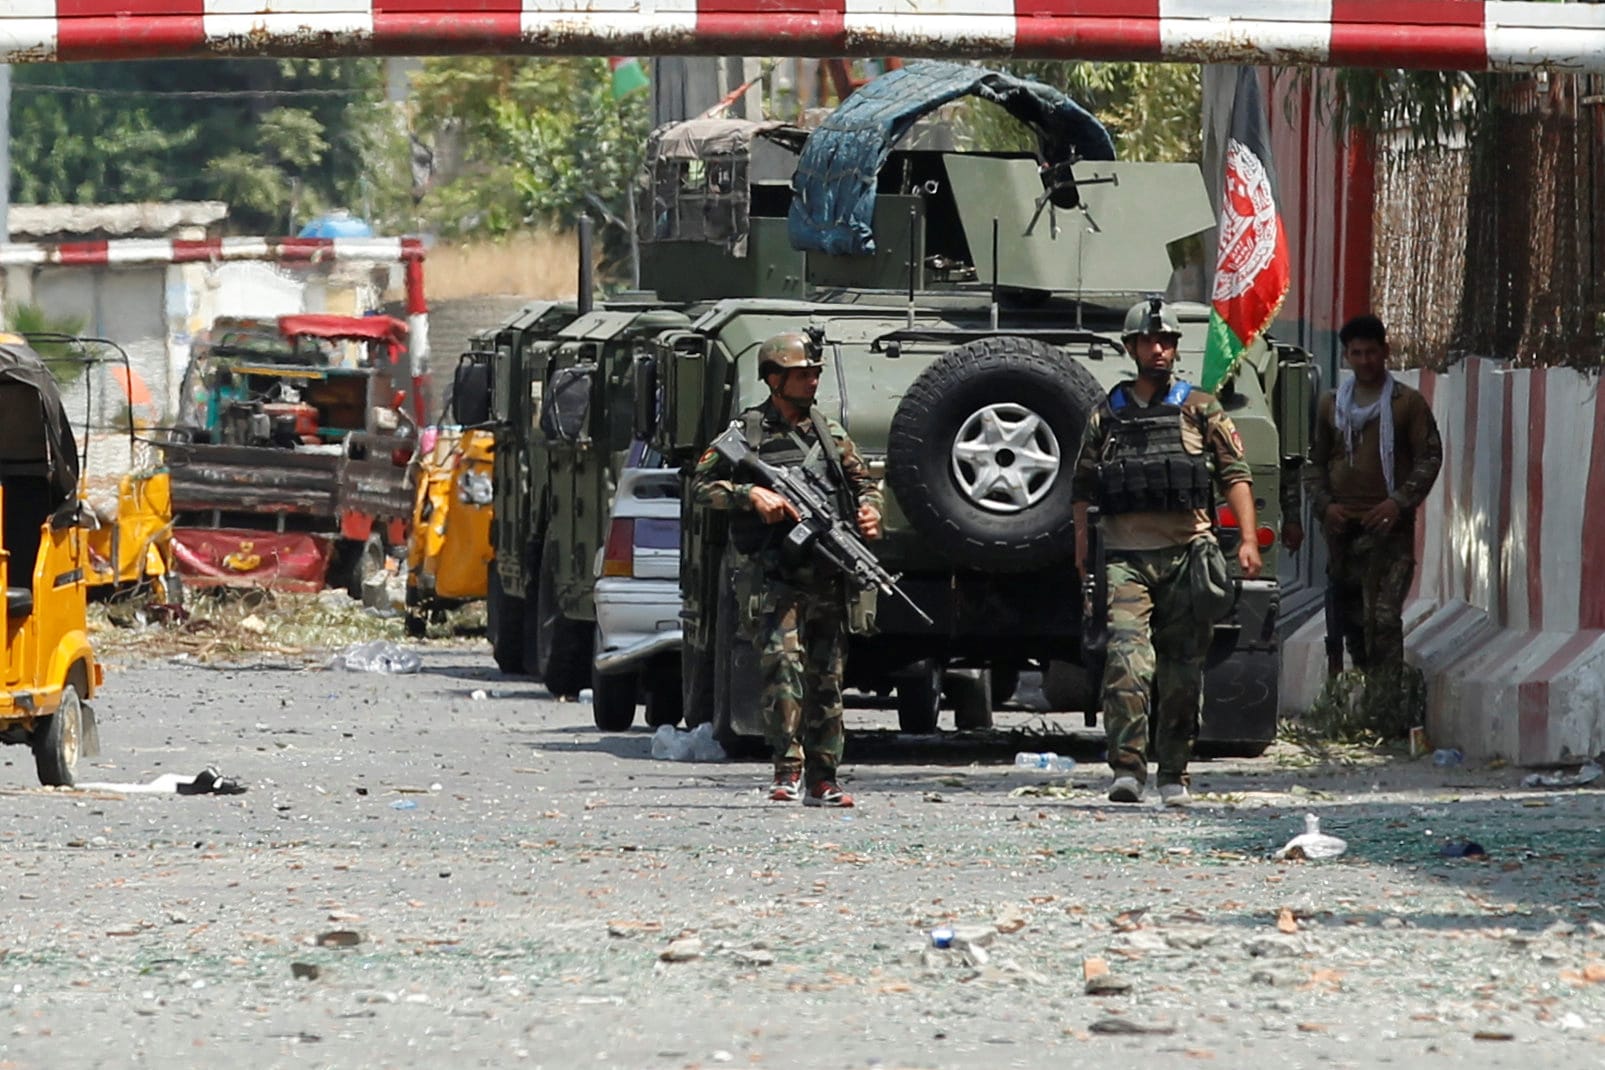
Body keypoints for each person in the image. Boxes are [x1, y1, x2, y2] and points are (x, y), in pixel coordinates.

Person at [1072, 298, 1262, 807]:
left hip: (1187, 556)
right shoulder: (1107, 412)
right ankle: (1127, 769)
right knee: (1127, 665)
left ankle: (1174, 773)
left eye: (1169, 341)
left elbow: (1235, 476)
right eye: (1151, 341)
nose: (1161, 350)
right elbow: (1083, 492)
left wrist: (1247, 538)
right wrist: (1082, 554)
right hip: (1126, 559)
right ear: (1131, 347)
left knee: (1181, 671)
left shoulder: (1200, 408)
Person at [690, 332, 883, 808]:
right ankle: (787, 770)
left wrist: (872, 511)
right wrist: (749, 495)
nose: (812, 380)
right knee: (781, 671)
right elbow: (699, 485)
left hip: (825, 575)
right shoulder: (748, 434)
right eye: (802, 373)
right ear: (775, 379)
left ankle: (825, 776)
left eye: (815, 372)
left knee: (827, 678)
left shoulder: (830, 434)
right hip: (773, 576)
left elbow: (864, 484)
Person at [1302, 314, 1441, 678]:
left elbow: (1429, 457)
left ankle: (1387, 702)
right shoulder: (1331, 405)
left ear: (1385, 352)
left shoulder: (1406, 405)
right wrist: (1324, 506)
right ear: (1346, 356)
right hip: (1342, 532)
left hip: (1388, 530)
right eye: (1357, 353)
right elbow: (1314, 463)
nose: (1365, 361)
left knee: (1382, 617)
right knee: (1352, 622)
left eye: (1371, 352)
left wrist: (1399, 502)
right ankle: (1369, 694)